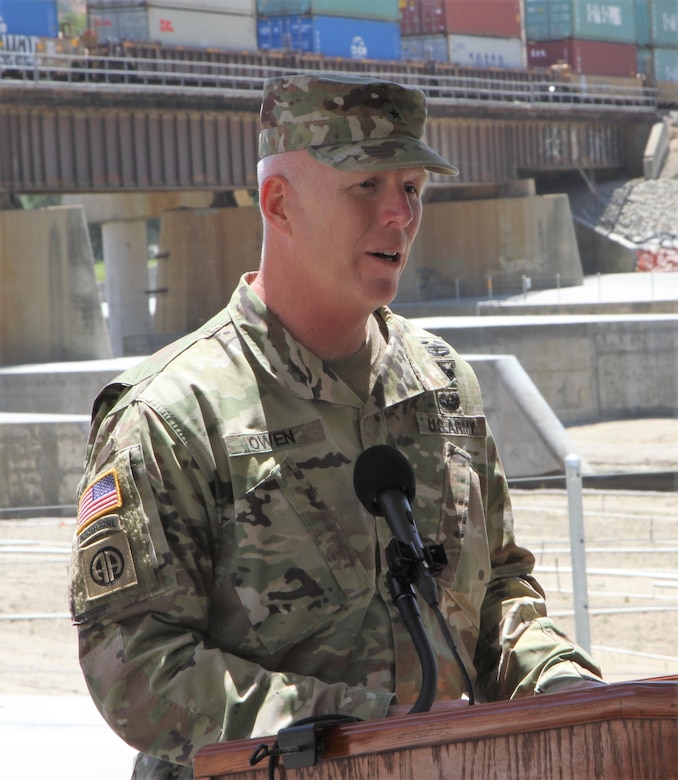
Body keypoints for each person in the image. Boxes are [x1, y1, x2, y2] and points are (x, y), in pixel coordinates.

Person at [69, 73, 603, 779]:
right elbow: (133, 665)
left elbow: (498, 590)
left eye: (411, 188)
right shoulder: (170, 415)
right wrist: (366, 730)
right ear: (279, 204)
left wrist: (570, 688)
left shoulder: (443, 385)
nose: (399, 214)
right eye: (366, 186)